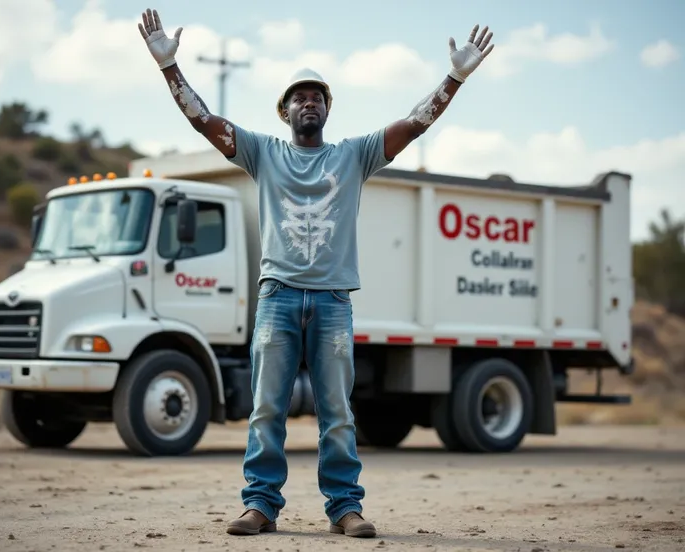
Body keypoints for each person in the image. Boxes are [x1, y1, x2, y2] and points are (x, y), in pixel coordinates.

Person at [138, 8, 495, 538]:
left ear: (328, 108)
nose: (310, 102)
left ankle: (345, 509)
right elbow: (203, 120)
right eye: (300, 97)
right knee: (265, 409)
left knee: (338, 412)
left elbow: (416, 122)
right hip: (278, 296)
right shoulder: (262, 152)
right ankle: (260, 506)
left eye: (318, 96)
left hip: (332, 302)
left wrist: (455, 78)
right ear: (285, 111)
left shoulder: (355, 156)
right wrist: (170, 67)